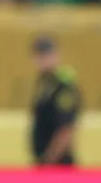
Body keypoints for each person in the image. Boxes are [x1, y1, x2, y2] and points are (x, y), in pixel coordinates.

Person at [29, 36, 81, 167]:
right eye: (39, 56)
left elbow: (65, 130)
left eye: (46, 55)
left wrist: (48, 161)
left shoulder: (63, 87)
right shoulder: (44, 83)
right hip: (46, 161)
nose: (42, 60)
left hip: (58, 164)